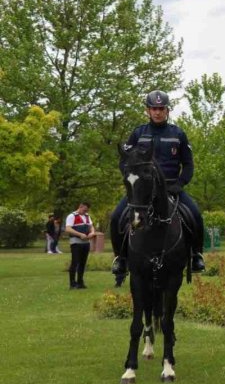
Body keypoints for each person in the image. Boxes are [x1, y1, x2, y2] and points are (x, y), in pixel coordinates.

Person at [109, 90, 205, 276]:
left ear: (167, 110)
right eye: (154, 108)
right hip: (142, 192)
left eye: (161, 108)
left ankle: (196, 256)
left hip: (171, 189)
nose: (158, 112)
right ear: (148, 110)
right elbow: (125, 161)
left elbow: (188, 164)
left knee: (195, 215)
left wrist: (180, 183)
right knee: (116, 217)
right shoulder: (138, 134)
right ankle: (120, 258)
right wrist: (133, 183)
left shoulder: (178, 134)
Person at [65, 202, 94, 289]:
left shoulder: (87, 216)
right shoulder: (72, 216)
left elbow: (91, 226)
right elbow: (68, 229)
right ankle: (72, 284)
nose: (85, 212)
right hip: (76, 242)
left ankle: (80, 282)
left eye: (87, 210)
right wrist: (79, 234)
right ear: (80, 207)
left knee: (83, 263)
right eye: (84, 210)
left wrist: (92, 232)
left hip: (86, 243)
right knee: (75, 262)